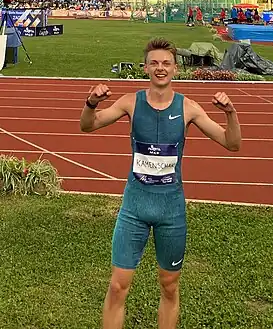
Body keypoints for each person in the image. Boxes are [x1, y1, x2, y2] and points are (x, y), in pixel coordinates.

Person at [80, 38, 241, 329]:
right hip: (135, 207)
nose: (160, 68)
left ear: (175, 69)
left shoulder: (189, 108)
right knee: (117, 286)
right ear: (145, 68)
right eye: (154, 63)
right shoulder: (130, 102)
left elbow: (232, 143)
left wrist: (230, 113)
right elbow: (88, 125)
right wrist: (91, 103)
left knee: (169, 286)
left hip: (171, 210)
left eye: (166, 63)